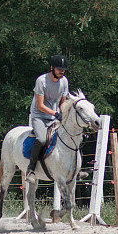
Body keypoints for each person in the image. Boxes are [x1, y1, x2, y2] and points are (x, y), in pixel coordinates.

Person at [25, 55, 69, 184]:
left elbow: (62, 102)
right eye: (59, 69)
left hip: (54, 116)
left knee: (69, 135)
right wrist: (56, 114)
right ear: (52, 68)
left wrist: (63, 113)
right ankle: (30, 169)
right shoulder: (41, 81)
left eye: (63, 69)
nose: (61, 71)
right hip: (39, 116)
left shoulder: (64, 81)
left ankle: (73, 169)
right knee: (42, 139)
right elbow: (40, 105)